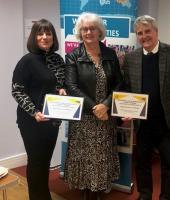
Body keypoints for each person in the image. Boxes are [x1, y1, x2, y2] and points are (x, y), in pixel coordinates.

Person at [123, 15, 170, 200]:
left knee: (168, 164)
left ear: (156, 31)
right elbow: (128, 89)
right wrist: (127, 110)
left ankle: (165, 197)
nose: (144, 36)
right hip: (143, 124)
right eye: (140, 33)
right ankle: (145, 194)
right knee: (142, 162)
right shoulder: (131, 58)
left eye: (147, 31)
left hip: (167, 123)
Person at [64, 12, 123, 200]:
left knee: (102, 155)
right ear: (80, 32)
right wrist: (95, 108)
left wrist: (105, 105)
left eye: (92, 28)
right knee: (84, 155)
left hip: (106, 115)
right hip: (85, 117)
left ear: (100, 31)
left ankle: (98, 190)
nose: (88, 32)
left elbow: (119, 84)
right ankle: (85, 189)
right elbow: (71, 86)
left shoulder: (110, 54)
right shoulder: (73, 56)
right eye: (85, 29)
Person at [11, 19, 65, 200]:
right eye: (40, 33)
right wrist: (34, 111)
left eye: (48, 33)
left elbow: (61, 85)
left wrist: (63, 90)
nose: (44, 37)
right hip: (31, 121)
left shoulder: (58, 59)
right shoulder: (26, 61)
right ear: (34, 37)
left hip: (52, 120)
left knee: (45, 162)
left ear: (53, 37)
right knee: (36, 162)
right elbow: (17, 91)